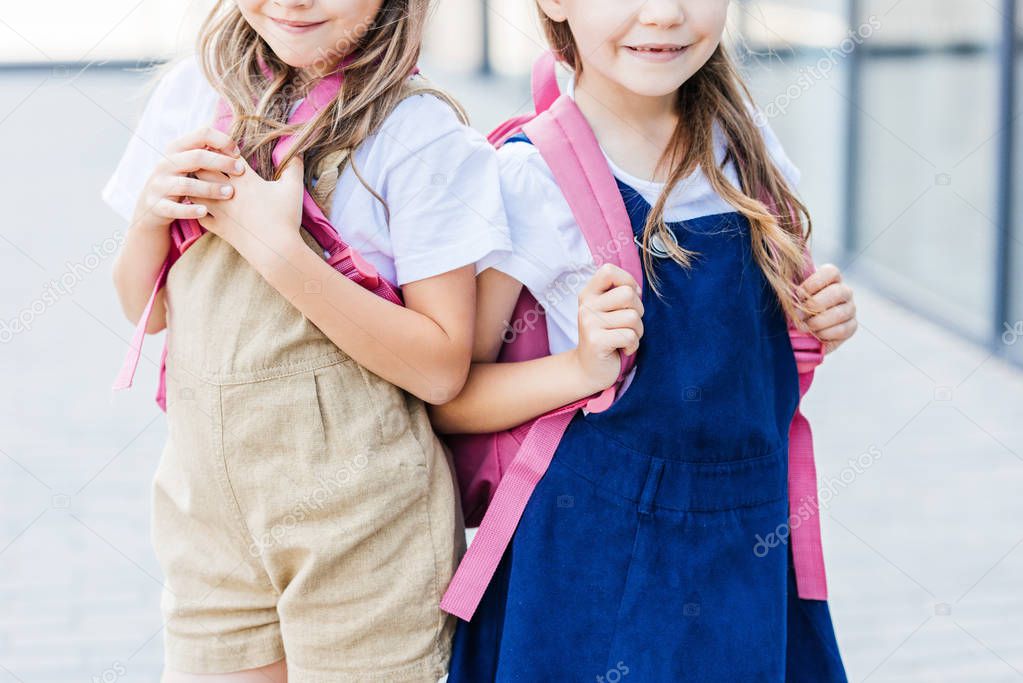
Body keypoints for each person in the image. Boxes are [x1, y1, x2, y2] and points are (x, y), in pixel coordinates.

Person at [429, 0, 858, 680]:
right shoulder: (529, 176)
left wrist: (817, 317)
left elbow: (750, 361)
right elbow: (450, 396)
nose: (662, 13)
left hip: (746, 549)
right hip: (587, 572)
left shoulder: (747, 149)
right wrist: (580, 366)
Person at [102, 0, 512, 679]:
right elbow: (142, 311)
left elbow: (440, 367)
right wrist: (150, 215)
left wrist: (277, 250)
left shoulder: (416, 134)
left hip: (364, 531)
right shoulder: (190, 95)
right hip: (207, 520)